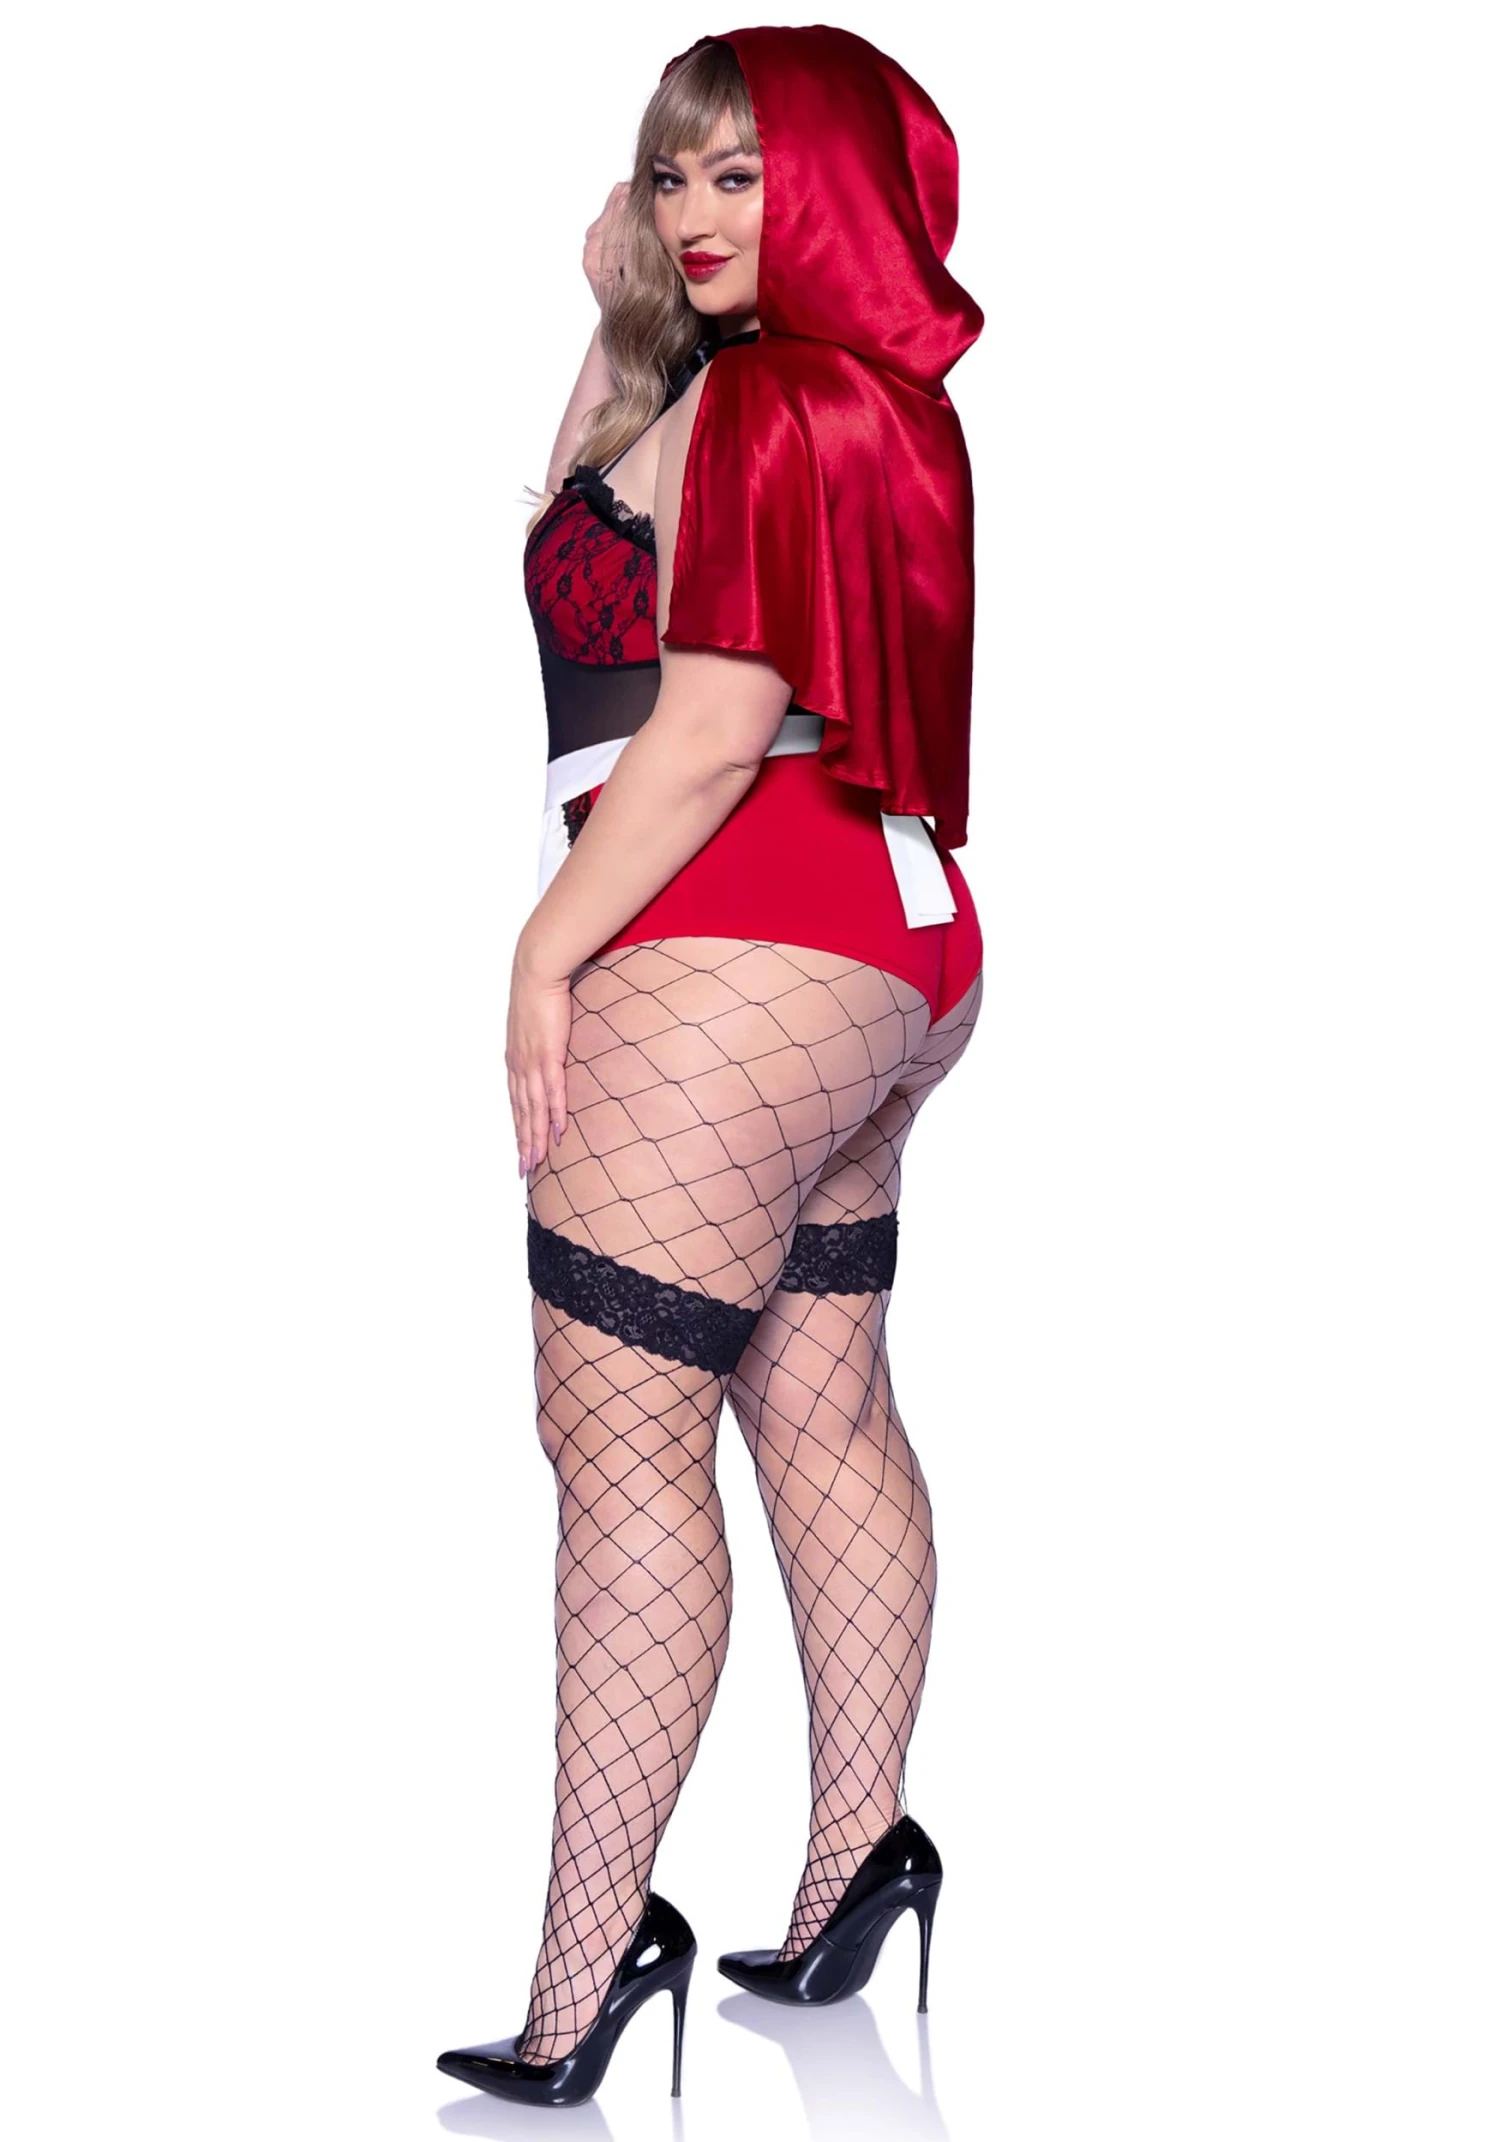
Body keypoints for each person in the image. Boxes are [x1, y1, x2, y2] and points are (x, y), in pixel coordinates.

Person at [437, 24, 985, 2108]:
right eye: (672, 173)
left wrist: (543, 951)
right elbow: (585, 532)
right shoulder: (858, 398)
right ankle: (862, 1861)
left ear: (832, 185)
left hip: (735, 924)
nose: (689, 212)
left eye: (741, 174)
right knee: (817, 1404)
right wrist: (617, 310)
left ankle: (587, 1974)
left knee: (618, 1441)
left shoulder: (763, 401)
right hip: (889, 936)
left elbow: (707, 719)